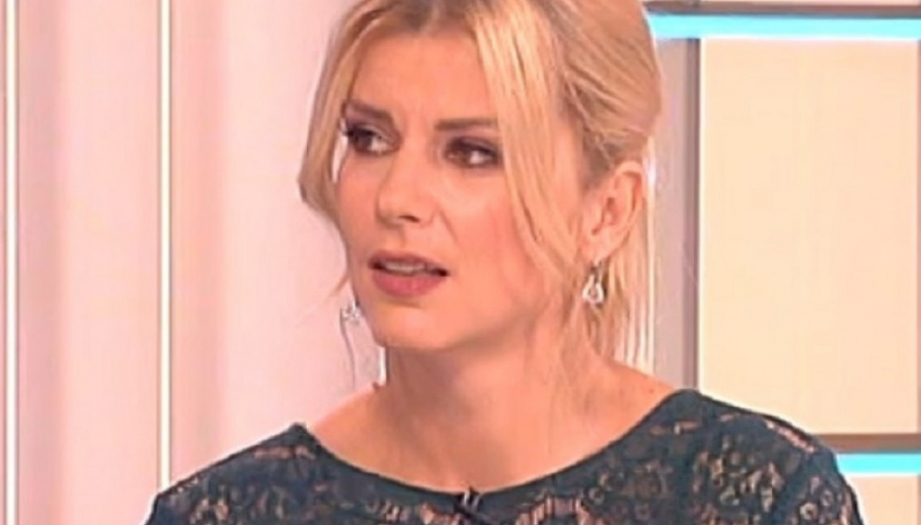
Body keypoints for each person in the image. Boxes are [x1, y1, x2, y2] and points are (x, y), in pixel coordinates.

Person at [143, 0, 865, 523]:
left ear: (606, 211)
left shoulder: (756, 497)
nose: (397, 198)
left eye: (472, 153)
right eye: (369, 139)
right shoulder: (226, 512)